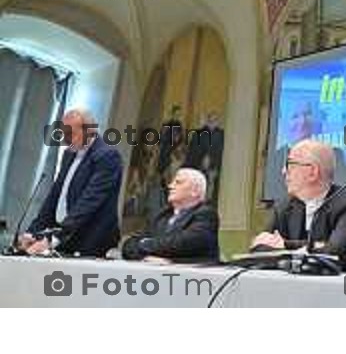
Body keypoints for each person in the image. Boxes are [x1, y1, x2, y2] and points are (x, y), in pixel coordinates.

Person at [252, 139, 346, 273]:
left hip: (343, 290)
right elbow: (259, 249)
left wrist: (285, 245)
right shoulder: (284, 206)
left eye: (289, 164)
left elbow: (335, 252)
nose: (284, 171)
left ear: (313, 172)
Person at [20, 108, 122, 257]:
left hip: (91, 242)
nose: (65, 139)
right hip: (65, 239)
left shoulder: (107, 156)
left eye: (70, 134)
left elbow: (88, 202)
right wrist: (33, 232)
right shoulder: (69, 154)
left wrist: (54, 238)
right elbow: (55, 196)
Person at [121, 168, 219, 263]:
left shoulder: (206, 214)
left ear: (195, 191)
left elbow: (184, 243)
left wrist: (144, 244)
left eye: (178, 182)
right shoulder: (162, 216)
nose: (170, 186)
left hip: (194, 277)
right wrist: (146, 256)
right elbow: (129, 246)